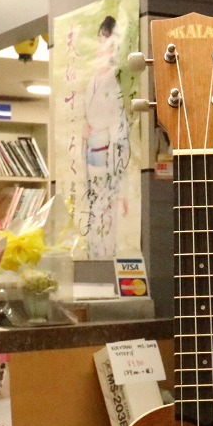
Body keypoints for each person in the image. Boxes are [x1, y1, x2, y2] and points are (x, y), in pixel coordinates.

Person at [80, 15, 131, 259]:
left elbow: (119, 133)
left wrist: (121, 188)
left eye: (106, 42)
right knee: (93, 221)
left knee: (106, 223)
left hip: (106, 160)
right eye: (100, 40)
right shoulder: (93, 80)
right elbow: (87, 118)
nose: (101, 47)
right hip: (91, 159)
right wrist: (85, 127)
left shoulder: (113, 80)